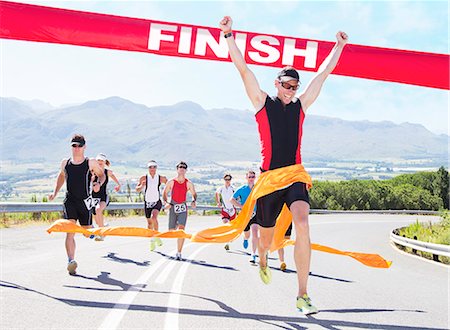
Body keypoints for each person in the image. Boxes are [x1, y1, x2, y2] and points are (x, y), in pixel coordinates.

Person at [219, 16, 348, 314]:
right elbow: (243, 70)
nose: (291, 89)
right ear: (277, 83)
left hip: (295, 176)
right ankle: (262, 258)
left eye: (294, 85)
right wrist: (228, 35)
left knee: (302, 222)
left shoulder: (301, 107)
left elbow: (324, 73)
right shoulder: (263, 103)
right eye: (286, 84)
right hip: (269, 180)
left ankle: (302, 294)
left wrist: (338, 46)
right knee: (265, 241)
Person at [48, 134, 105, 275]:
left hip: (85, 202)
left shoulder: (90, 162)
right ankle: (71, 261)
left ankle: (91, 233)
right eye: (74, 145)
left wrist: (98, 183)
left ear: (84, 147)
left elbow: (102, 174)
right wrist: (55, 193)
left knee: (86, 230)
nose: (77, 148)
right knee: (70, 230)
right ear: (71, 146)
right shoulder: (65, 163)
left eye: (79, 145)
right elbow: (62, 176)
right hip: (70, 201)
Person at [162, 161, 197, 260]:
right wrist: (166, 203)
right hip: (173, 206)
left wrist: (194, 200)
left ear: (186, 170)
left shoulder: (188, 183)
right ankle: (176, 225)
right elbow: (164, 193)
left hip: (183, 208)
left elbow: (194, 193)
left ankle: (179, 252)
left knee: (181, 230)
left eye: (184, 167)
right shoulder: (171, 182)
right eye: (180, 167)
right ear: (177, 169)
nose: (182, 168)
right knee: (171, 231)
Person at [136, 160, 168, 251]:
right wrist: (141, 186)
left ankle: (157, 235)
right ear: (148, 168)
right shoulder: (143, 178)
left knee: (154, 218)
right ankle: (152, 240)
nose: (152, 169)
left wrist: (166, 198)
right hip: (147, 203)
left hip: (157, 202)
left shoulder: (161, 178)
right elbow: (137, 189)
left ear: (156, 168)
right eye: (150, 167)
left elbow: (169, 185)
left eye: (154, 167)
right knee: (149, 224)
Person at [230, 170, 259, 264]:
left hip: (255, 214)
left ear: (255, 178)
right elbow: (232, 200)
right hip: (245, 215)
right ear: (246, 178)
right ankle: (245, 239)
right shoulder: (242, 189)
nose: (251, 179)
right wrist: (242, 206)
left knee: (255, 232)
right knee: (247, 234)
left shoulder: (258, 188)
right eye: (249, 177)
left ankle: (253, 254)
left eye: (253, 177)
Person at [92, 153, 121, 241]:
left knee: (98, 209)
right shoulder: (92, 171)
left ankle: (102, 233)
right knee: (97, 218)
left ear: (105, 162)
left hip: (103, 197)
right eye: (98, 160)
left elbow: (112, 175)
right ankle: (103, 226)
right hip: (93, 198)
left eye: (102, 160)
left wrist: (118, 184)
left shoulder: (107, 172)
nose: (100, 162)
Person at [215, 173, 236, 250]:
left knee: (231, 227)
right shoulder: (221, 188)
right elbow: (216, 193)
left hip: (232, 210)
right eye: (226, 179)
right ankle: (226, 242)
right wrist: (218, 202)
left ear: (231, 180)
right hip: (225, 209)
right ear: (224, 180)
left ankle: (228, 240)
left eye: (229, 179)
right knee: (226, 224)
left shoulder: (233, 188)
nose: (227, 181)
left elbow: (237, 196)